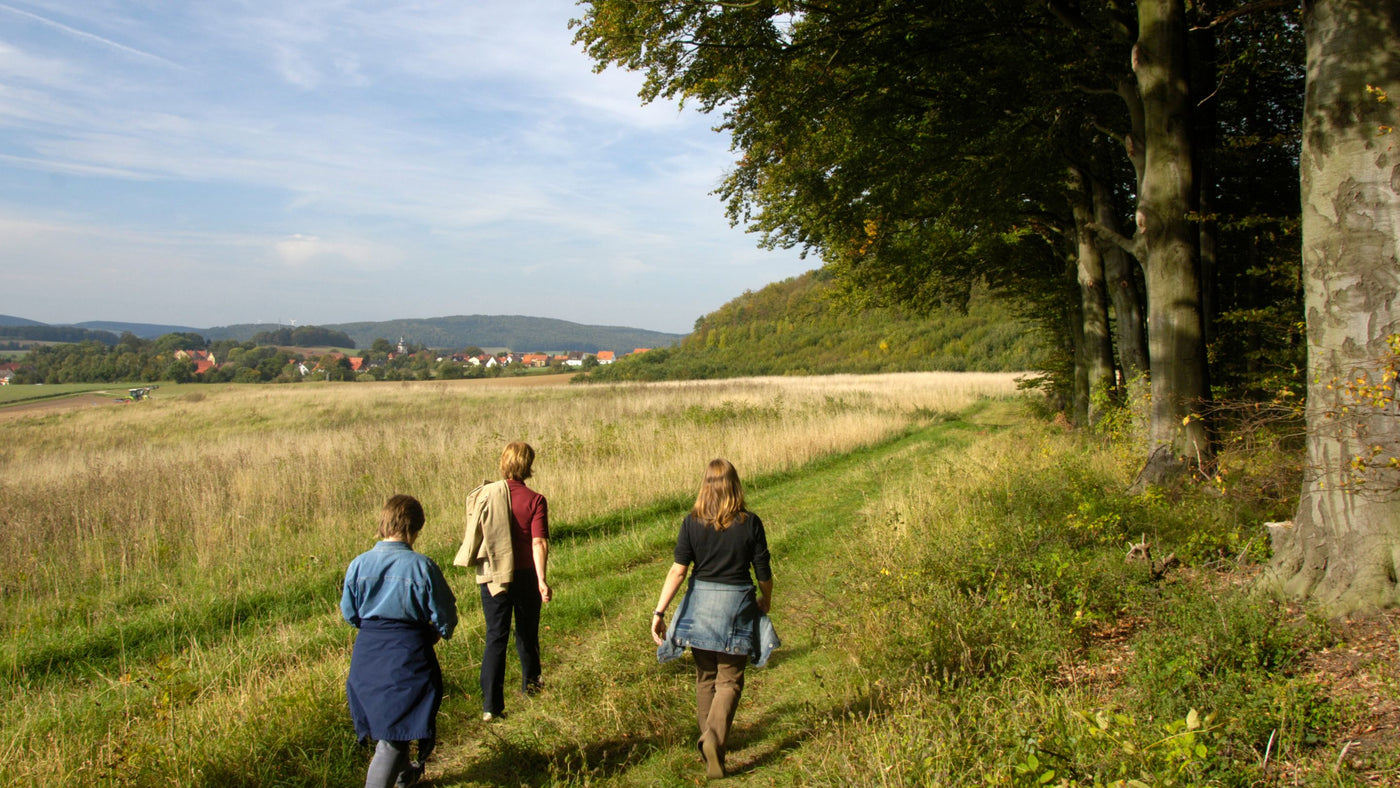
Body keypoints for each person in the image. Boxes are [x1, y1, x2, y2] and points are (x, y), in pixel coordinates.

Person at [652, 459, 779, 780]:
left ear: (705, 485)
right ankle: (713, 740)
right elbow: (762, 570)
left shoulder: (691, 522)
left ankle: (709, 740)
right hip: (736, 606)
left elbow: (678, 570)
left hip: (700, 608)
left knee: (706, 677)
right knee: (730, 680)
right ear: (735, 485)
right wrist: (767, 598)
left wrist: (659, 611)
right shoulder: (751, 523)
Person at [342, 494, 458, 788]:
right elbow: (444, 614)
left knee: (389, 727)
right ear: (415, 528)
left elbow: (350, 613)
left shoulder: (358, 564)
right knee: (395, 736)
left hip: (367, 656)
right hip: (408, 656)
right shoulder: (422, 567)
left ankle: (405, 775)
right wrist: (437, 633)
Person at [478, 441, 552, 721]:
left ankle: (490, 707)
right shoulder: (535, 499)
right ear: (528, 465)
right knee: (526, 634)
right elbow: (539, 542)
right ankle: (531, 689)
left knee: (495, 637)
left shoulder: (486, 495)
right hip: (524, 576)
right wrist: (542, 580)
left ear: (504, 463)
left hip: (493, 576)